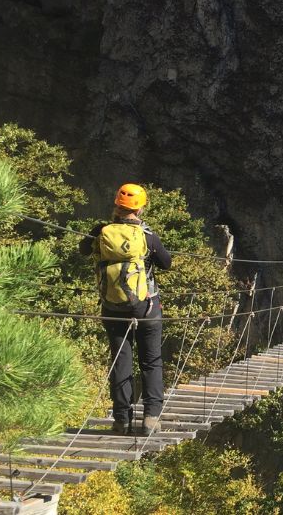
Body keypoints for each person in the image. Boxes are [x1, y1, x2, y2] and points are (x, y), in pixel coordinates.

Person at [79, 183, 172, 435]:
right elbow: (166, 263)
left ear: (117, 206)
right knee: (151, 361)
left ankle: (122, 419)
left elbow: (83, 250)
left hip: (112, 306)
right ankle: (151, 418)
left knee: (121, 359)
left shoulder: (101, 232)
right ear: (140, 208)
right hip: (146, 308)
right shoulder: (147, 235)